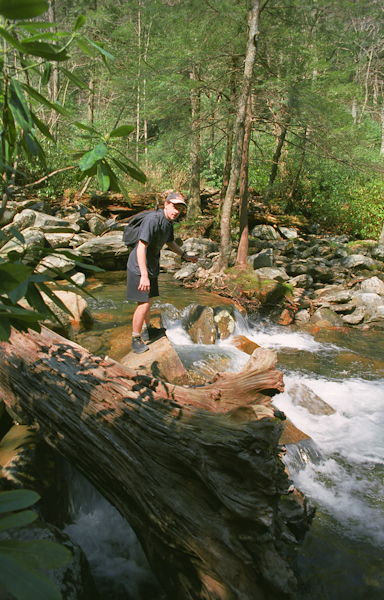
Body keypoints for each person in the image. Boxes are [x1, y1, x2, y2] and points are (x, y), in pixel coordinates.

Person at [126, 192, 198, 354]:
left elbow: (169, 241)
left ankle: (147, 329)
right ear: (166, 204)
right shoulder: (153, 220)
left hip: (151, 265)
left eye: (179, 208)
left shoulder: (169, 222)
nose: (176, 211)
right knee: (143, 303)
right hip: (139, 266)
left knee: (149, 299)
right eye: (174, 206)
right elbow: (141, 248)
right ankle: (136, 339)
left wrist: (185, 256)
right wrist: (143, 275)